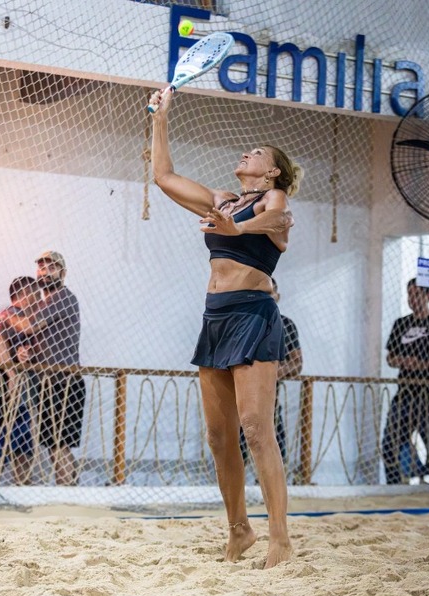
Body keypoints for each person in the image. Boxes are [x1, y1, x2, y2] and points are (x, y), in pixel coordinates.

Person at [148, 87, 302, 569]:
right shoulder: (222, 200)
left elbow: (277, 217)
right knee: (219, 437)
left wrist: (238, 229)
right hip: (214, 318)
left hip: (253, 315)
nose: (246, 152)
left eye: (257, 152)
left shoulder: (270, 199)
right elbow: (164, 176)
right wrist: (159, 118)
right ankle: (240, 530)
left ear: (272, 169)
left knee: (257, 429)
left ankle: (280, 538)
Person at [0, 251, 84, 486]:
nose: (44, 272)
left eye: (51, 268)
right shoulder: (44, 304)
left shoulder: (62, 297)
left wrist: (5, 315)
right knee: (57, 444)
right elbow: (43, 339)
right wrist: (27, 353)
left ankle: (67, 497)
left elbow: (29, 327)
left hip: (63, 380)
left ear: (62, 273)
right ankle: (71, 492)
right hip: (51, 381)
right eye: (41, 267)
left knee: (57, 445)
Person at [381, 278, 429, 485]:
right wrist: (404, 361)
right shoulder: (401, 324)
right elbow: (390, 357)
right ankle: (397, 485)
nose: (412, 299)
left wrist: (426, 365)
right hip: (405, 394)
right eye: (409, 294)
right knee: (390, 443)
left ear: (428, 295)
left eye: (416, 294)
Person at [0, 276, 39, 486]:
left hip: (19, 393)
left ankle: (25, 488)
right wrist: (11, 374)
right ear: (24, 294)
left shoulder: (21, 318)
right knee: (2, 446)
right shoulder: (9, 316)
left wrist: (24, 354)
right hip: (8, 391)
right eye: (34, 292)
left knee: (23, 448)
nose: (38, 297)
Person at [239, 277, 303, 465]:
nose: (267, 297)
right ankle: (237, 495)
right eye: (262, 292)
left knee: (273, 457)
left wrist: (267, 373)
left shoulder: (286, 325)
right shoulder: (242, 323)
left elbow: (297, 364)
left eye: (270, 292)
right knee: (236, 456)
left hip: (269, 403)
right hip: (239, 400)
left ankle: (270, 494)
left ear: (278, 296)